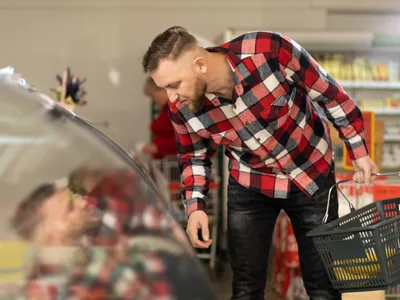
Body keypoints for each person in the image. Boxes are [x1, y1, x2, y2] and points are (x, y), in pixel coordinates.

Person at [142, 26, 378, 300]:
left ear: (200, 64)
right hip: (250, 182)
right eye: (164, 88)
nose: (171, 98)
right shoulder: (181, 108)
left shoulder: (270, 50)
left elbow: (331, 96)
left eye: (174, 85)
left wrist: (359, 152)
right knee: (245, 288)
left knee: (322, 286)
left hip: (311, 172)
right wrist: (195, 207)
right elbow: (193, 155)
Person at [136, 77, 178, 159]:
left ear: (162, 90)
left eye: (152, 95)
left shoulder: (178, 108)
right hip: (167, 161)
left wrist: (156, 147)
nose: (153, 100)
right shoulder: (166, 108)